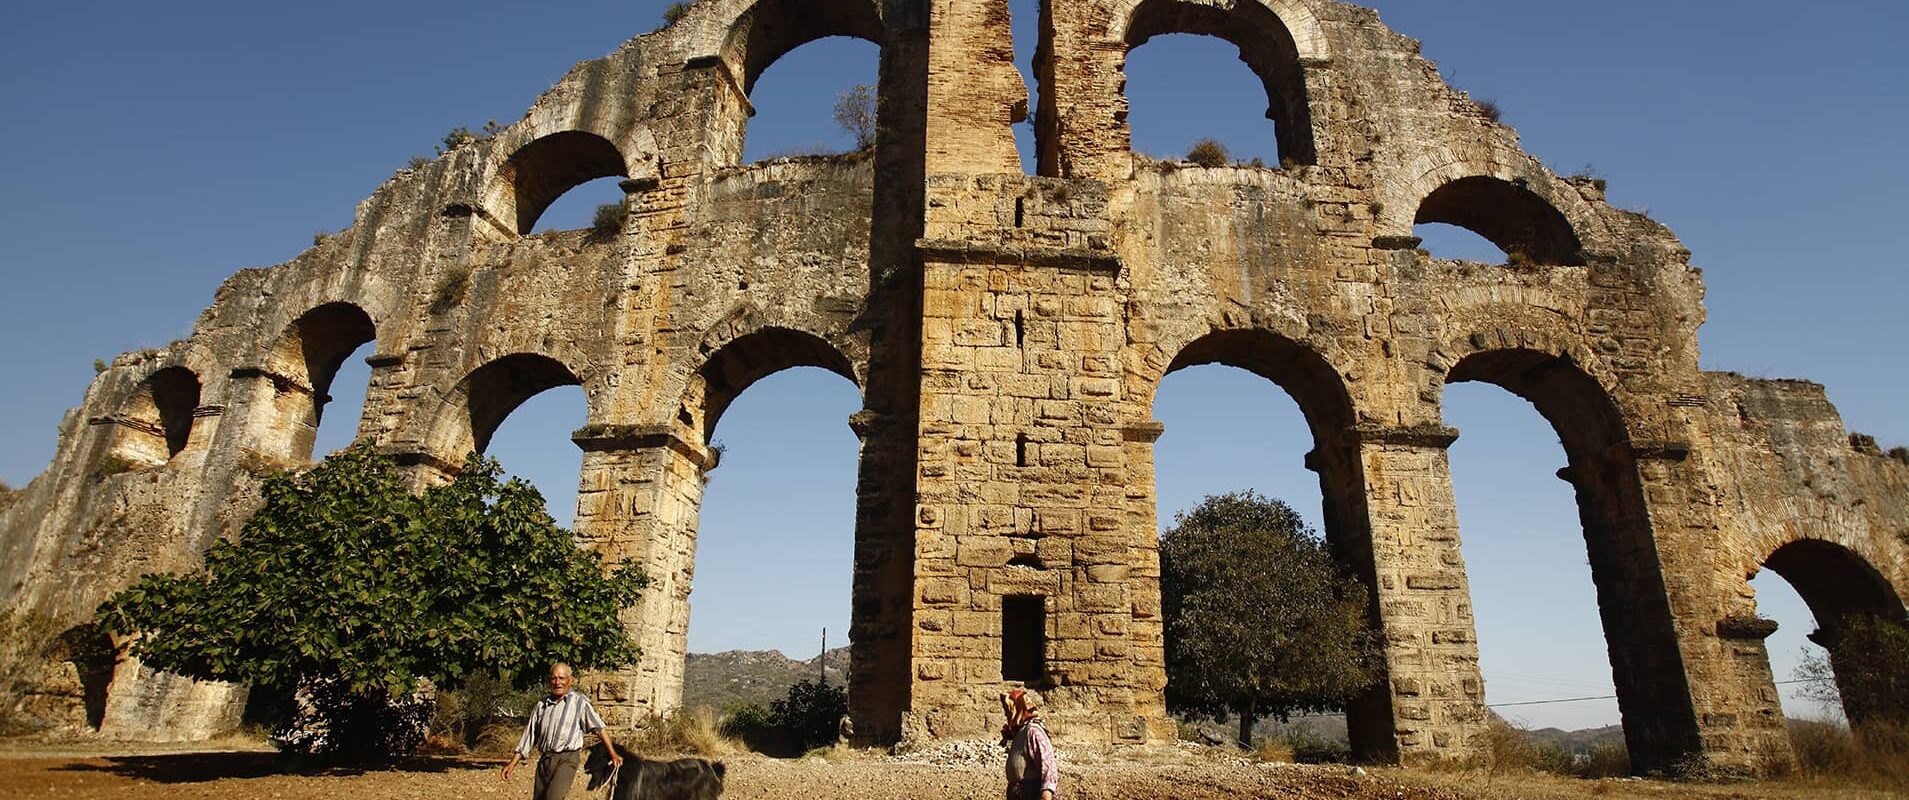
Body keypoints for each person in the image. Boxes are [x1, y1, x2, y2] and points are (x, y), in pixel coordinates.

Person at [502, 663, 624, 800]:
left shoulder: (579, 702)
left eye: (561, 678)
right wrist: (512, 763)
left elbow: (599, 729)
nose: (557, 682)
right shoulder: (541, 706)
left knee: (553, 797)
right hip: (545, 760)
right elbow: (528, 737)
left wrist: (613, 754)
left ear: (570, 680)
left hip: (567, 758)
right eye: (554, 678)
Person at [999, 688, 1058, 800]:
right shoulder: (1020, 732)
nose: (1006, 714)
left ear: (1018, 708)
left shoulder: (1033, 731)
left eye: (1008, 710)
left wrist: (1046, 794)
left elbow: (1048, 765)